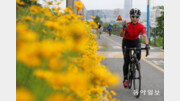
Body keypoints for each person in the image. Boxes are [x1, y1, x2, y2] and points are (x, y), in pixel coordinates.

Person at [120, 8, 150, 88]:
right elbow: (121, 35)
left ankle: (137, 62)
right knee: (126, 61)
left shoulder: (141, 26)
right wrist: (124, 28)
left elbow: (144, 35)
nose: (135, 18)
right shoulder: (127, 24)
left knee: (138, 52)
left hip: (136, 41)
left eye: (137, 17)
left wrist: (147, 45)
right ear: (130, 17)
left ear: (139, 18)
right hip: (126, 41)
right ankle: (125, 79)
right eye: (133, 16)